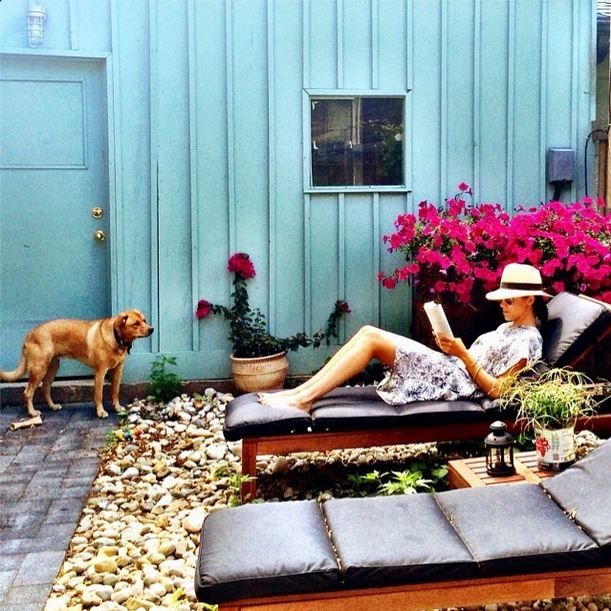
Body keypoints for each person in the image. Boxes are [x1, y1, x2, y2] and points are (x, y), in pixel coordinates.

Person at [257, 263, 550, 412]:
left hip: (454, 382)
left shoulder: (527, 341)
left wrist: (462, 354)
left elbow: (499, 390)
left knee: (371, 338)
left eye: (508, 300)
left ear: (529, 300)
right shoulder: (508, 328)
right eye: (501, 300)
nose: (502, 305)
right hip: (451, 368)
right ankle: (298, 395)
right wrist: (452, 347)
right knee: (367, 333)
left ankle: (303, 398)